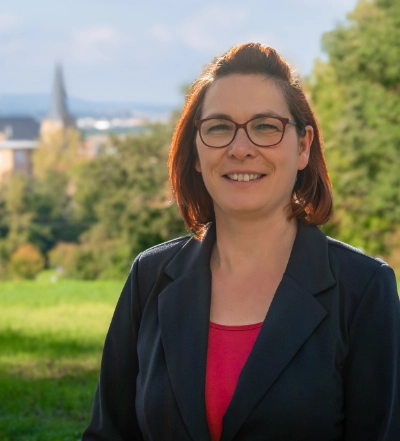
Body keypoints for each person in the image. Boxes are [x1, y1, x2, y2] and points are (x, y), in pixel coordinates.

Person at [82, 43, 400, 441]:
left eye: (266, 126)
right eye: (219, 127)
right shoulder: (150, 277)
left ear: (303, 146)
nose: (240, 148)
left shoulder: (365, 289)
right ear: (196, 153)